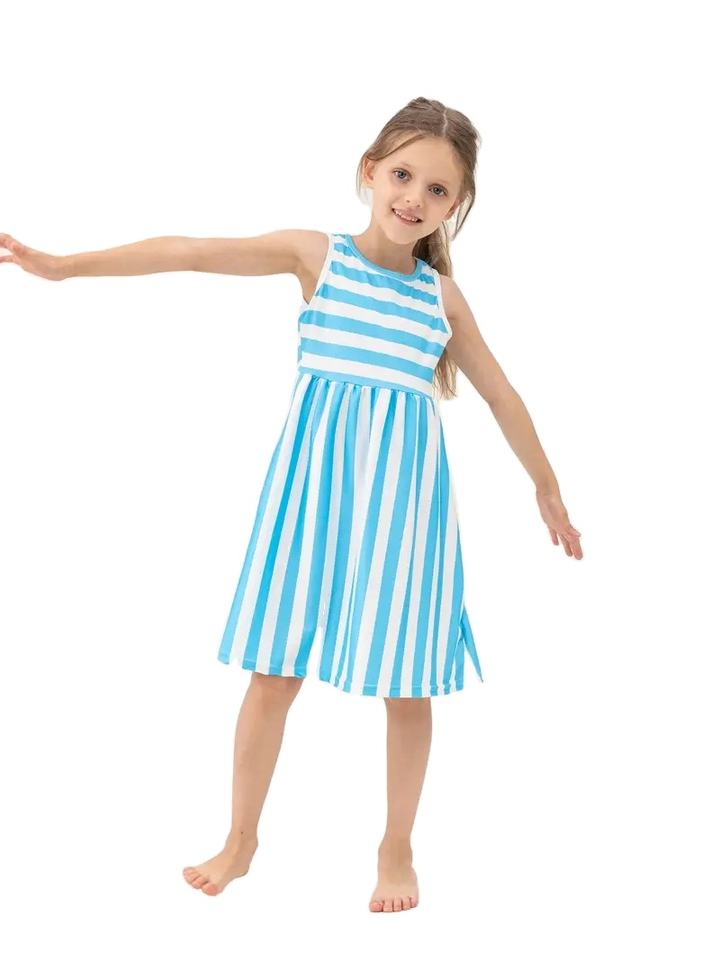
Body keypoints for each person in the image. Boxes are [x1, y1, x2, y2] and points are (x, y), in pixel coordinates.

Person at [0, 96, 582, 912]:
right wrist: (64, 267)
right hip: (310, 501)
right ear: (369, 172)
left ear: (457, 205)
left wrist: (546, 486)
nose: (414, 197)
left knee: (406, 685)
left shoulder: (441, 300)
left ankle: (396, 846)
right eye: (403, 175)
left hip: (405, 514)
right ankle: (241, 839)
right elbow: (192, 251)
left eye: (438, 190)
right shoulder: (319, 257)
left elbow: (502, 395)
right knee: (273, 675)